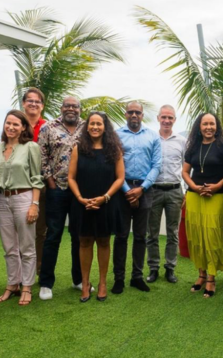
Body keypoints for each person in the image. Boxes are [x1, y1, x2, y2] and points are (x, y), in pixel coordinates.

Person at [68, 112, 125, 302]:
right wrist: (80, 198)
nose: (95, 127)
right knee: (84, 242)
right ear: (87, 126)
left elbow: (120, 178)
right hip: (82, 204)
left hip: (106, 203)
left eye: (99, 124)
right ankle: (85, 283)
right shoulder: (78, 148)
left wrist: (105, 197)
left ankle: (102, 283)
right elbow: (71, 178)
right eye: (92, 123)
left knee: (103, 242)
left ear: (105, 127)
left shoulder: (114, 149)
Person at [183, 113, 223, 298]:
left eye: (212, 124)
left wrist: (216, 186)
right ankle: (201, 274)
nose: (208, 127)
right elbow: (185, 172)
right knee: (197, 236)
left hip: (216, 197)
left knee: (212, 236)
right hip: (195, 197)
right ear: (199, 126)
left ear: (217, 126)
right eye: (205, 124)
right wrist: (194, 187)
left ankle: (211, 277)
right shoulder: (192, 146)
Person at [0, 110, 44, 306]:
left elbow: (37, 178)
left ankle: (27, 286)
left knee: (27, 246)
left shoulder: (31, 147)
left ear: (23, 127)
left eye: (15, 124)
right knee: (9, 247)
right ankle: (13, 284)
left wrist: (34, 205)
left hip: (24, 198)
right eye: (8, 123)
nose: (11, 127)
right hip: (2, 200)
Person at [38, 96, 87, 300]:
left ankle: (78, 280)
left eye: (74, 106)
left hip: (80, 191)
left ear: (79, 109)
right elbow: (42, 156)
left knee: (78, 236)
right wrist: (50, 182)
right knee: (53, 235)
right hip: (56, 188)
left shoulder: (87, 127)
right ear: (61, 108)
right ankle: (46, 283)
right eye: (67, 106)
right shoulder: (48, 127)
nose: (71, 109)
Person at [113, 101, 162, 294]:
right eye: (131, 112)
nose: (134, 115)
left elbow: (156, 165)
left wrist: (141, 189)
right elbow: (114, 163)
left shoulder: (152, 136)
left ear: (142, 115)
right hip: (122, 189)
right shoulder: (117, 136)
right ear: (126, 114)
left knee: (141, 236)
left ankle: (137, 277)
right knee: (121, 236)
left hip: (145, 189)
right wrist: (127, 190)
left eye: (138, 112)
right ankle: (118, 278)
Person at [146, 105, 186, 284]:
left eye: (170, 118)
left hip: (174, 191)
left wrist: (184, 190)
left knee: (173, 232)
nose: (167, 121)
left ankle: (170, 268)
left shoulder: (182, 141)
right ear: (158, 118)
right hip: (153, 190)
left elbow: (187, 168)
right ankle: (153, 268)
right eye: (164, 117)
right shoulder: (151, 139)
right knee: (152, 233)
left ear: (175, 120)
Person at [21, 88, 48, 274]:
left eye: (37, 101)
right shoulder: (15, 123)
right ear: (24, 103)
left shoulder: (48, 126)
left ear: (42, 106)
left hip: (43, 185)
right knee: (21, 231)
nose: (33, 104)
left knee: (41, 230)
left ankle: (38, 269)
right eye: (30, 100)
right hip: (20, 185)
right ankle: (21, 271)